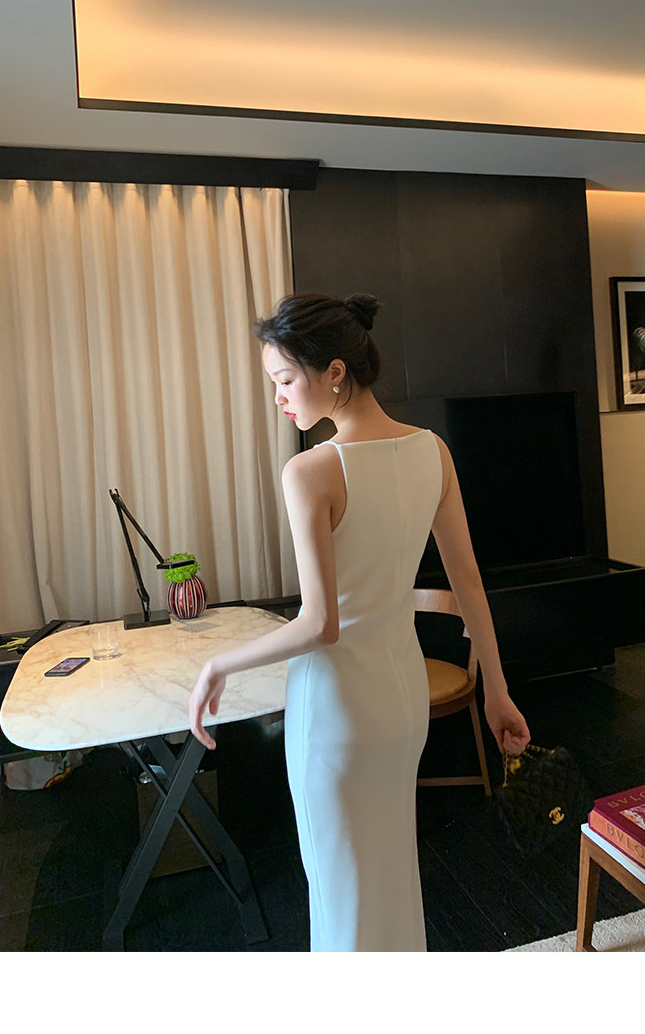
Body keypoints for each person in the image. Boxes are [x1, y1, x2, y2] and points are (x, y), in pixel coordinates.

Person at [187, 292, 530, 953]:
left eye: (285, 380)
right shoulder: (433, 450)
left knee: (340, 894)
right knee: (390, 879)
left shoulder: (311, 471)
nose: (278, 397)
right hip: (402, 704)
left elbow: (320, 625)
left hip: (336, 713)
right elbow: (468, 580)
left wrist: (218, 663)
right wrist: (496, 690)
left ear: (335, 371)